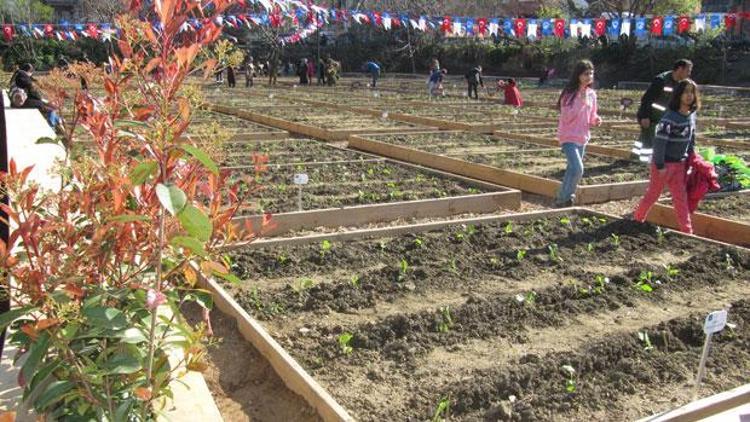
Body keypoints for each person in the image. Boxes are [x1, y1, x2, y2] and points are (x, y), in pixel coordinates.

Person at [633, 79, 700, 234]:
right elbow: (659, 144)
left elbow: (691, 139)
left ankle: (687, 230)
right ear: (678, 95)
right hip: (664, 164)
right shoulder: (669, 118)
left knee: (680, 198)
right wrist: (660, 165)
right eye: (685, 92)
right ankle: (637, 219)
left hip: (680, 164)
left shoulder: (691, 116)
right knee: (653, 194)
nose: (689, 96)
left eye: (692, 92)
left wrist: (692, 157)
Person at [554, 60, 602, 207]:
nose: (589, 76)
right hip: (568, 136)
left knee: (571, 169)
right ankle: (569, 196)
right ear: (578, 75)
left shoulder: (591, 94)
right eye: (585, 74)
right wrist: (581, 102)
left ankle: (562, 199)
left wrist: (597, 120)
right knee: (577, 168)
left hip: (582, 137)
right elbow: (567, 116)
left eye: (591, 73)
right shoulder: (569, 94)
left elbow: (592, 115)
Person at [634, 59, 693, 162]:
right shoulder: (661, 80)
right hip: (651, 116)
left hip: (663, 117)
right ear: (680, 69)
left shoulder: (680, 84)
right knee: (650, 141)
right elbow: (647, 99)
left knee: (645, 138)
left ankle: (634, 157)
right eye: (688, 70)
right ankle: (644, 161)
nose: (689, 73)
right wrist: (645, 116)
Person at [9, 63, 64, 130]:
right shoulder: (24, 77)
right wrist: (45, 102)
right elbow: (34, 93)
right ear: (29, 71)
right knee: (51, 109)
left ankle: (59, 120)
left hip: (15, 102)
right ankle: (52, 125)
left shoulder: (17, 75)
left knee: (47, 106)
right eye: (32, 73)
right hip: (22, 103)